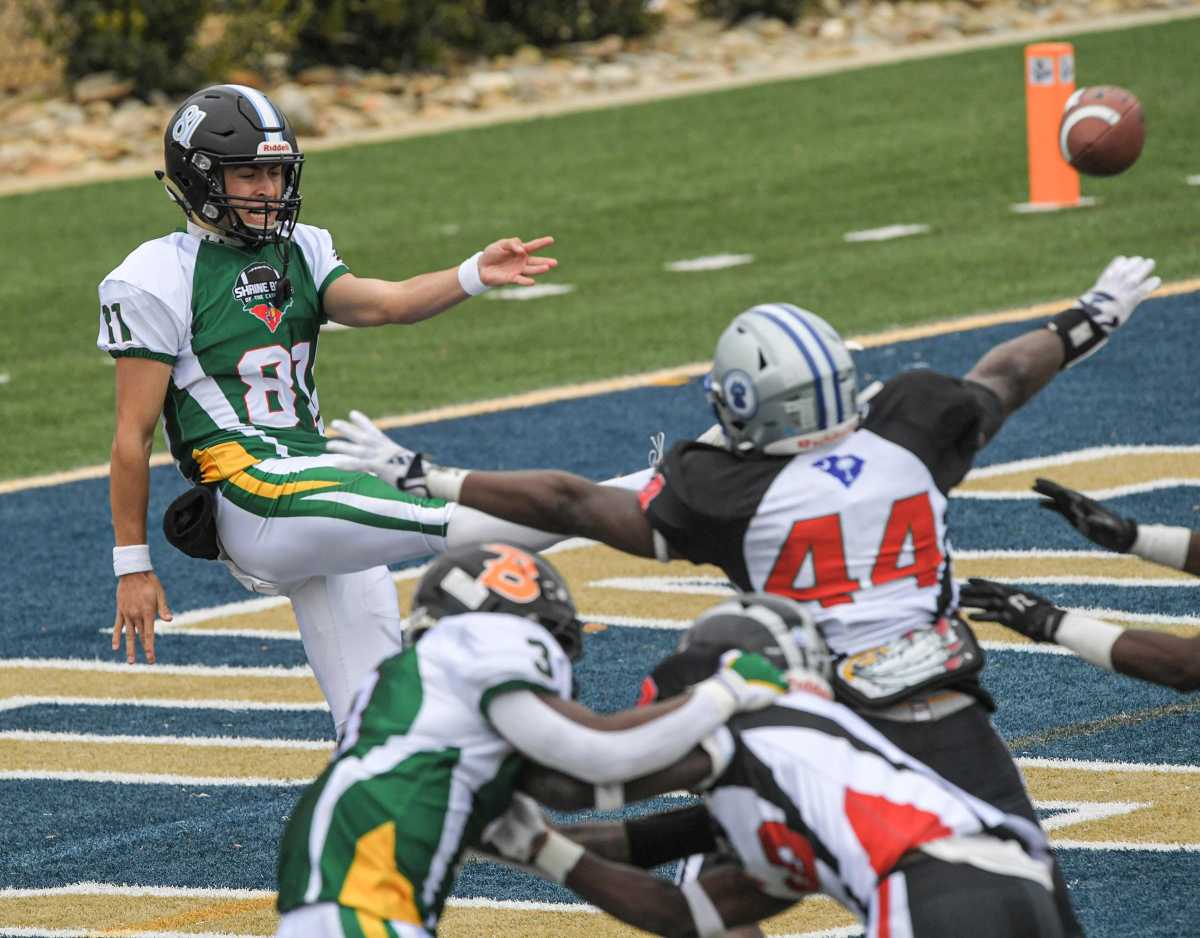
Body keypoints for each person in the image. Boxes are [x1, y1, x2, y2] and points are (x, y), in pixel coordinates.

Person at [328, 256, 1163, 937]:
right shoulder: (909, 434)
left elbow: (570, 504)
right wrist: (1090, 316)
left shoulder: (729, 493)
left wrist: (429, 475)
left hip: (809, 712)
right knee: (1026, 890)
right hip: (949, 717)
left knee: (707, 849)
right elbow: (1007, 375)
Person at [98, 84, 567, 735]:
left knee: (376, 708)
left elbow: (386, 302)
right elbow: (132, 436)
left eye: (275, 172)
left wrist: (472, 274)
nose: (267, 188)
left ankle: (392, 822)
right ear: (199, 177)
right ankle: (648, 500)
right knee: (453, 520)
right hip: (253, 492)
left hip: (317, 477)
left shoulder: (302, 248)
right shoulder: (156, 274)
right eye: (248, 172)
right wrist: (133, 566)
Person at [272, 541, 789, 937]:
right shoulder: (483, 640)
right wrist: (725, 693)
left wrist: (701, 820)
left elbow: (572, 796)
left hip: (336, 893)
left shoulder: (431, 724)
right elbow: (601, 756)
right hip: (360, 901)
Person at [485, 593, 1062, 938]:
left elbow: (587, 782)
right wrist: (535, 847)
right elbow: (684, 913)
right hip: (1022, 885)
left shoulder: (756, 724)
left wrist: (468, 767)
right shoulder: (799, 778)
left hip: (934, 888)